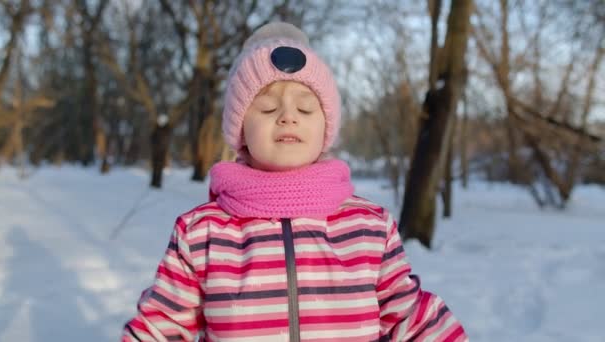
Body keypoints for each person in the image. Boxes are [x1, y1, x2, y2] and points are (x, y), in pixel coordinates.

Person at [122, 22, 467, 342]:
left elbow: (409, 316)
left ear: (325, 128)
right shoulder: (203, 233)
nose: (288, 117)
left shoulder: (368, 228)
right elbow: (160, 327)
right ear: (241, 129)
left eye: (305, 109)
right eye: (269, 108)